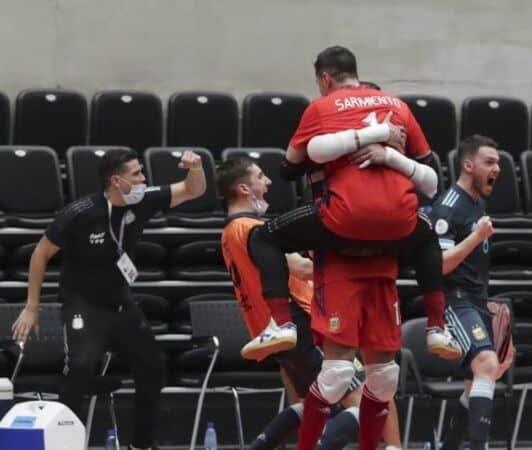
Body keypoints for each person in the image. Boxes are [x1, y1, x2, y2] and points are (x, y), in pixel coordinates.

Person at [243, 45, 460, 362]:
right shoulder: (398, 106)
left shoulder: (321, 108)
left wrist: (356, 143)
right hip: (400, 221)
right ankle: (437, 326)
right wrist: (384, 142)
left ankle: (282, 323)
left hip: (344, 219)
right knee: (427, 238)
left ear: (325, 78)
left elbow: (289, 169)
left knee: (263, 237)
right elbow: (431, 169)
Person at [11, 148, 206, 450]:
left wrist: (195, 168)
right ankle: (66, 444)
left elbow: (194, 189)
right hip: (83, 305)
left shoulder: (143, 199)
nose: (144, 178)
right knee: (80, 367)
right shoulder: (80, 212)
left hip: (121, 304)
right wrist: (31, 307)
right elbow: (40, 253)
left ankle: (141, 444)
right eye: (137, 173)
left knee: (153, 367)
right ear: (117, 181)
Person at [216, 157, 403, 450]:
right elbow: (302, 269)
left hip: (274, 329)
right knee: (363, 401)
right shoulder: (252, 229)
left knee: (311, 405)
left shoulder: (229, 233)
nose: (268, 182)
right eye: (260, 176)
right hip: (300, 322)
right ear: (243, 188)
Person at [430, 135, 501, 450]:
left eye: (497, 162)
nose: (497, 168)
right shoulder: (447, 208)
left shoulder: (477, 203)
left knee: (476, 383)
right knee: (487, 364)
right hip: (453, 300)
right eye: (490, 162)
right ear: (468, 165)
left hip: (477, 301)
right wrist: (475, 237)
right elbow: (440, 265)